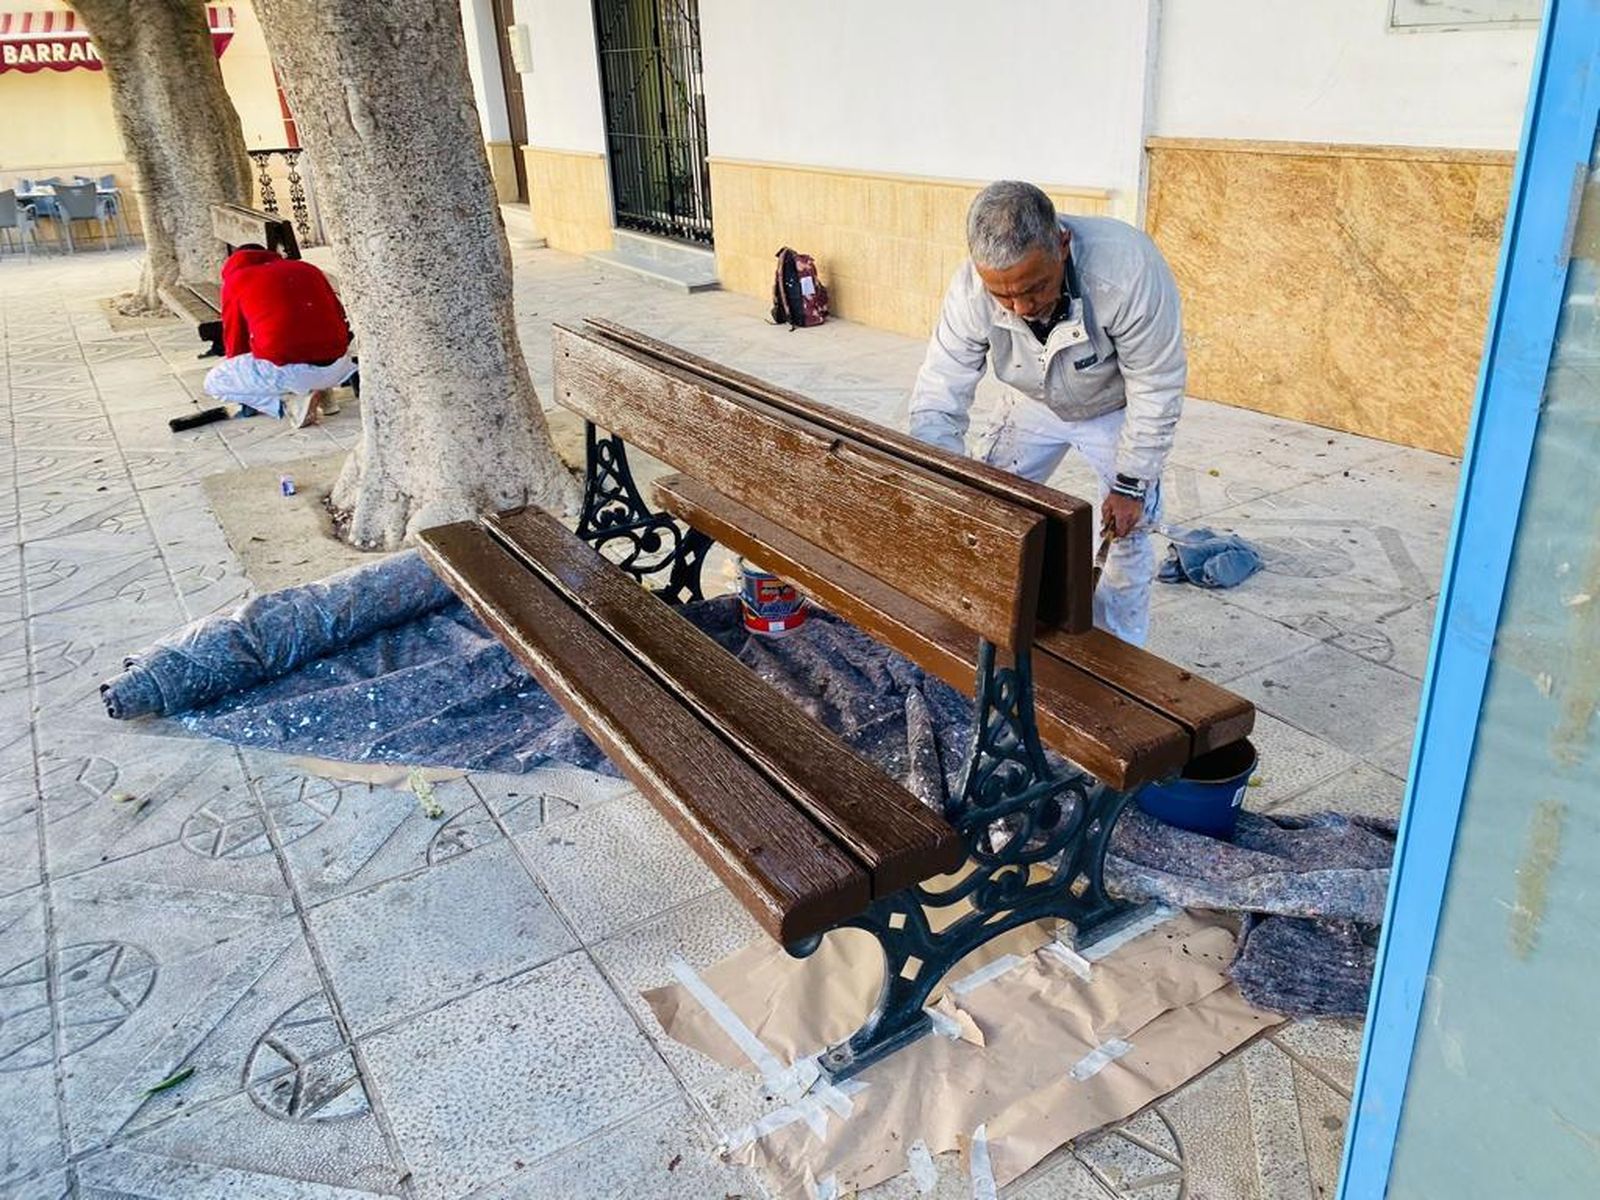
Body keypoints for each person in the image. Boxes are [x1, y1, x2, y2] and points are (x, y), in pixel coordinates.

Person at [908, 180, 1186, 646]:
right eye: (1003, 296)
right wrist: (938, 477)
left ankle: (1119, 651)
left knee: (1128, 529)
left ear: (1062, 244)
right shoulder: (970, 288)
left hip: (1113, 406)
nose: (1021, 307)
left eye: (1035, 288)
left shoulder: (1128, 269)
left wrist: (1133, 481)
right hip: (1031, 400)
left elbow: (1156, 383)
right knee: (988, 506)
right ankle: (991, 621)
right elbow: (942, 385)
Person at [202, 245, 356, 427]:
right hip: (339, 367)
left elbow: (235, 340)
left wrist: (246, 385)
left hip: (290, 372)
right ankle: (324, 396)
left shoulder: (237, 279)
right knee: (306, 339)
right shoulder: (308, 269)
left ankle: (288, 402)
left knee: (214, 382)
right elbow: (339, 315)